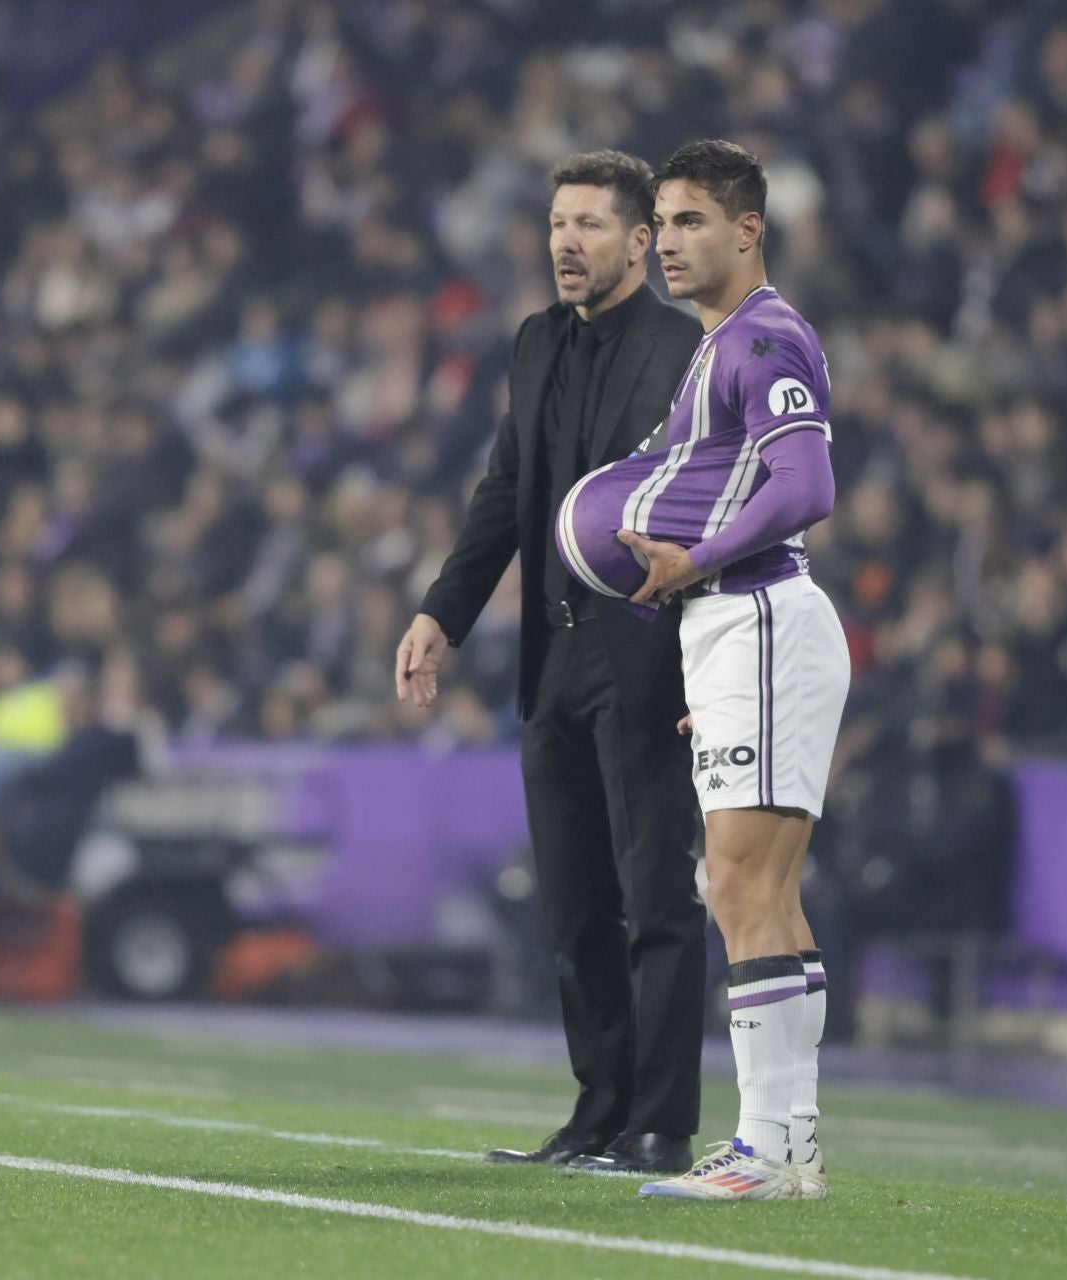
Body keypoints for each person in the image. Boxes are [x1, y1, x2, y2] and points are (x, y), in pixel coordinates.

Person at [396, 151, 706, 1176]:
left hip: (651, 657)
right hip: (555, 657)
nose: (565, 241)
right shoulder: (533, 343)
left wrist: (711, 652)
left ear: (640, 241)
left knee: (657, 893)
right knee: (575, 905)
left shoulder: (686, 347)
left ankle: (661, 1123)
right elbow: (505, 492)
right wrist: (444, 612)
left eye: (588, 224)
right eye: (556, 223)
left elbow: (722, 499)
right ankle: (598, 1112)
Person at [556, 140, 848, 1200]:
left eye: (688, 222)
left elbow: (807, 481)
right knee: (762, 885)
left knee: (734, 882)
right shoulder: (721, 344)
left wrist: (698, 561)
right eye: (663, 224)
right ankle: (790, 1141)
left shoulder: (761, 336)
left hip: (757, 608)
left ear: (746, 229)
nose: (669, 242)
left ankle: (764, 1150)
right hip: (739, 626)